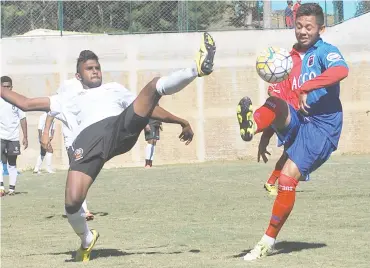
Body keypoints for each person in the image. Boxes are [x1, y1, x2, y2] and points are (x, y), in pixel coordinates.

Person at [1, 32, 216, 262]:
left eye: (97, 68)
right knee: (72, 203)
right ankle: (86, 240)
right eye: (89, 68)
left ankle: (197, 68)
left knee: (153, 87)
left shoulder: (115, 89)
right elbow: (24, 102)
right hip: (88, 144)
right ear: (78, 75)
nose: (95, 71)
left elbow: (148, 107)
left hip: (118, 129)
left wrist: (180, 120)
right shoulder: (66, 97)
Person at [237, 3, 348, 260]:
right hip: (299, 120)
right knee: (274, 100)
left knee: (287, 180)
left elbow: (341, 70)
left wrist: (307, 87)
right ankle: (252, 125)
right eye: (299, 26)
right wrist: (264, 134)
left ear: (321, 28)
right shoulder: (286, 60)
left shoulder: (325, 51)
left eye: (309, 27)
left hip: (322, 127)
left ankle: (267, 241)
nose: (303, 31)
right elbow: (279, 104)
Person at [41, 78, 94, 221]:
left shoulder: (88, 96)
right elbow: (51, 112)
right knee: (79, 171)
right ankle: (82, 209)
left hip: (87, 139)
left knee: (82, 172)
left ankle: (72, 206)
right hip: (72, 142)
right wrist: (45, 133)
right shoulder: (65, 97)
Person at [261, 44, 304, 195]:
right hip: (289, 117)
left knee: (291, 153)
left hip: (296, 115)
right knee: (290, 153)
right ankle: (272, 182)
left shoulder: (297, 69)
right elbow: (273, 93)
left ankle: (279, 181)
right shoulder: (282, 70)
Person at [0, 76, 28, 197]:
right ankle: (1, 188)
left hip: (13, 138)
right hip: (1, 136)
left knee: (12, 163)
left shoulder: (17, 100)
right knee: (1, 162)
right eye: (3, 86)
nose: (6, 89)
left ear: (11, 87)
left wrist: (25, 137)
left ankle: (11, 189)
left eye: (8, 86)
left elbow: (23, 118)